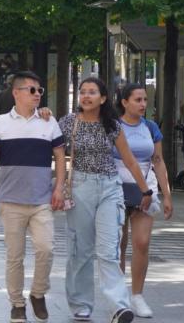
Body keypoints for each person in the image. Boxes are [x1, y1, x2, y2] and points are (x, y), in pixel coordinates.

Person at [59, 77, 152, 323]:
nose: (86, 96)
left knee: (109, 250)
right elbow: (53, 149)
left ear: (103, 98)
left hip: (110, 187)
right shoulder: (68, 122)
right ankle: (80, 304)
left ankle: (119, 307)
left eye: (92, 92)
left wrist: (146, 191)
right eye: (82, 92)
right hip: (80, 186)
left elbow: (130, 160)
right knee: (81, 249)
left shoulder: (112, 125)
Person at [0, 71, 66, 323]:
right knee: (14, 256)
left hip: (41, 201)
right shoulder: (1, 123)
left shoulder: (49, 122)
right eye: (32, 90)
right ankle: (17, 304)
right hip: (11, 201)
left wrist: (59, 187)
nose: (37, 94)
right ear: (16, 93)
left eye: (40, 91)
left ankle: (38, 293)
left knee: (46, 248)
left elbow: (60, 156)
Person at [115, 84, 174, 318]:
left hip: (145, 190)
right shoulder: (113, 126)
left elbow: (158, 161)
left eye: (145, 100)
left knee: (141, 242)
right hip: (117, 187)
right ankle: (118, 295)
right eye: (137, 99)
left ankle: (137, 295)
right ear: (124, 102)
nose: (142, 104)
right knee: (119, 242)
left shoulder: (150, 127)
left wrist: (167, 194)